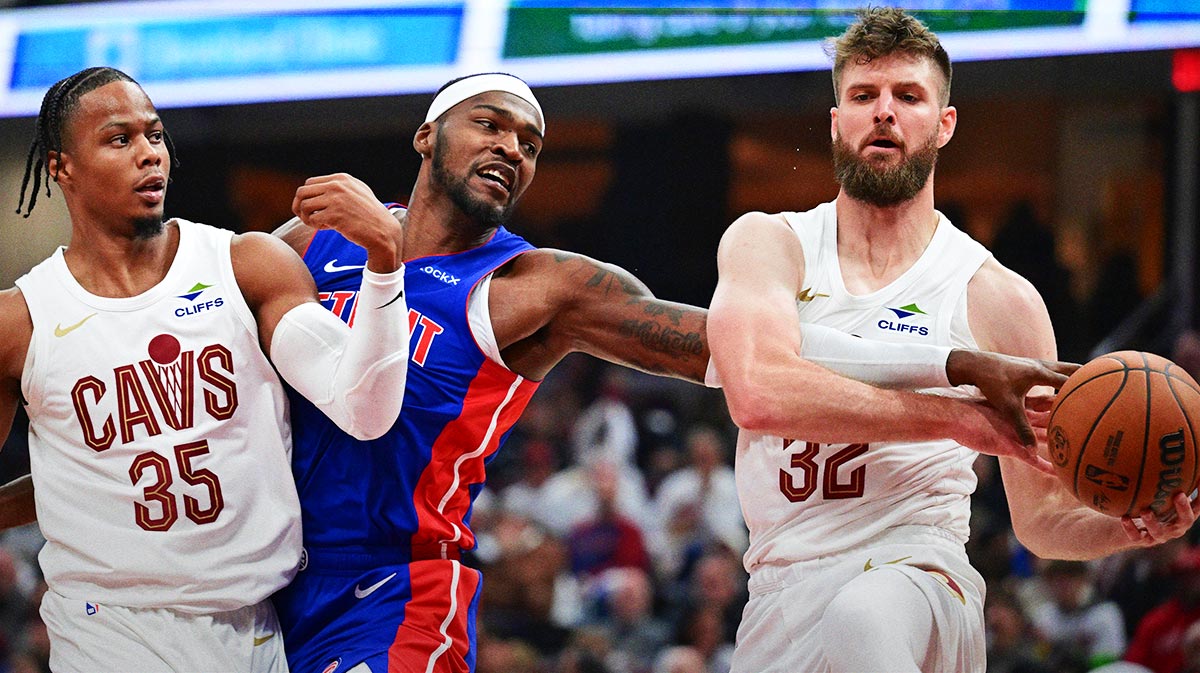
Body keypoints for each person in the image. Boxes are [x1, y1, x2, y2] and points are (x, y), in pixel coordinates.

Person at [269, 72, 1077, 673]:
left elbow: (740, 352)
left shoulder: (543, 286)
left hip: (396, 589)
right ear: (426, 136)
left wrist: (961, 363)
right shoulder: (314, 242)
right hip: (268, 583)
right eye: (490, 124)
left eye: (531, 144)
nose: (511, 149)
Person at [706, 9, 1199, 673]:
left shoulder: (998, 296)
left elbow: (1041, 520)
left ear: (944, 123)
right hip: (778, 595)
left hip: (918, 578)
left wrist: (1128, 524)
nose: (884, 112)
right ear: (835, 122)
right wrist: (962, 417)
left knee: (863, 613)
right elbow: (758, 392)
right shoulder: (769, 243)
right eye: (863, 96)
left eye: (907, 96)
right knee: (846, 618)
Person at [0, 67, 410, 671]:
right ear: (61, 167)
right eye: (120, 140)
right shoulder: (23, 320)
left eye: (156, 135)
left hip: (258, 625)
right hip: (112, 633)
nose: (149, 155)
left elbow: (365, 407)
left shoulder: (247, 266)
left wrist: (384, 263)